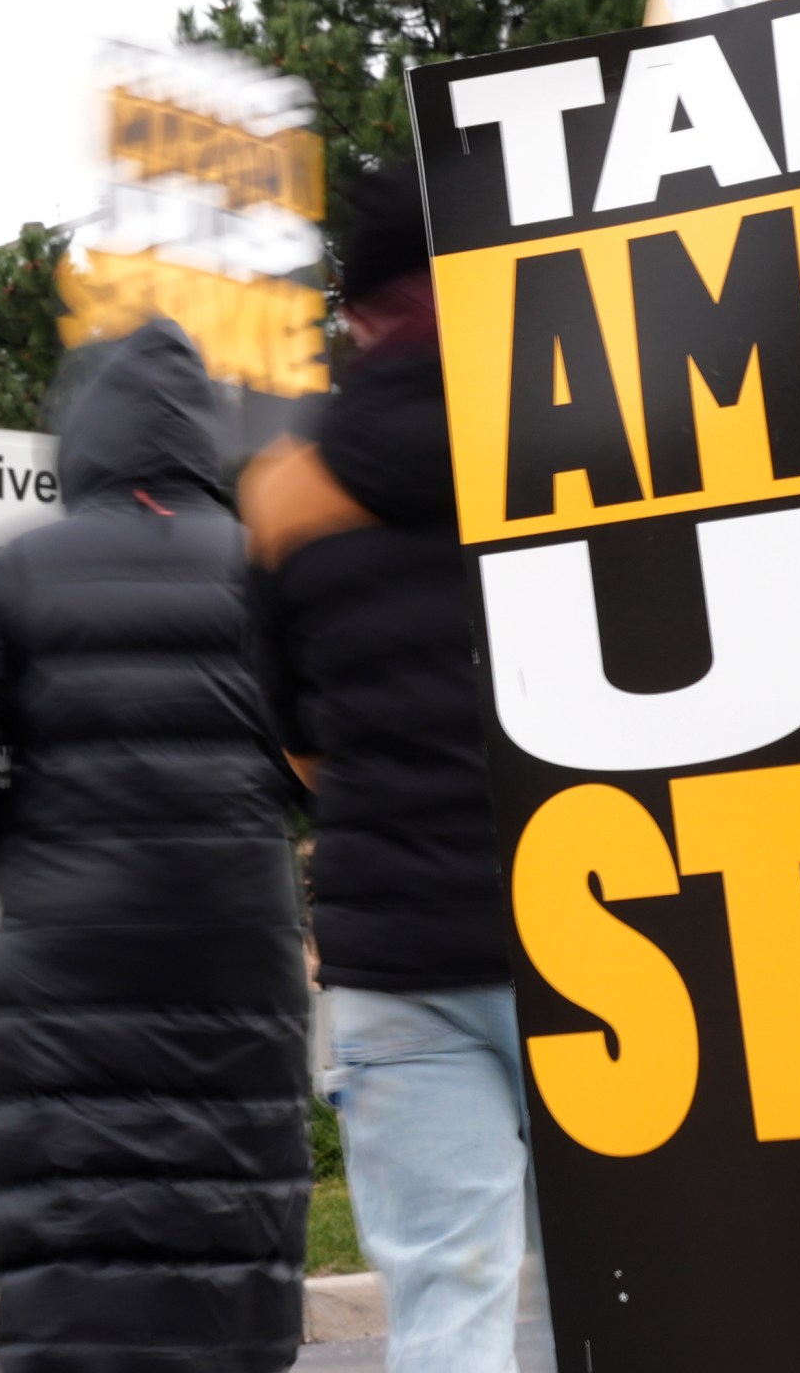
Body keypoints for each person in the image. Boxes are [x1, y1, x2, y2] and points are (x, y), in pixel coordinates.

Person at [0, 319, 312, 1373]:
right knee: (229, 1199)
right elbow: (334, 740)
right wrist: (263, 824)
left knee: (76, 1201)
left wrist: (9, 855)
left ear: (87, 437)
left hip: (68, 950)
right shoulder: (263, 571)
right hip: (235, 942)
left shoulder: (24, 570)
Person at [241, 164, 537, 1373]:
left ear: (357, 315)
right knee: (649, 1289)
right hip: (612, 934)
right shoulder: (593, 440)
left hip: (396, 957)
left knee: (447, 1311)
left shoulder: (285, 489)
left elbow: (286, 728)